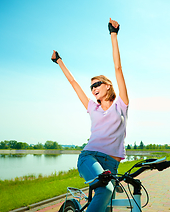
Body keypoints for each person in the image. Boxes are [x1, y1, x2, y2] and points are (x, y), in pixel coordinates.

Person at [51, 18, 129, 212]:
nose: (93, 88)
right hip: (90, 158)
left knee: (107, 204)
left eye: (97, 84)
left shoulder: (121, 104)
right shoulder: (91, 107)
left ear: (107, 85)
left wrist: (113, 34)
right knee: (105, 191)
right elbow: (73, 83)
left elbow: (118, 69)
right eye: (91, 86)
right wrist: (59, 61)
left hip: (112, 163)